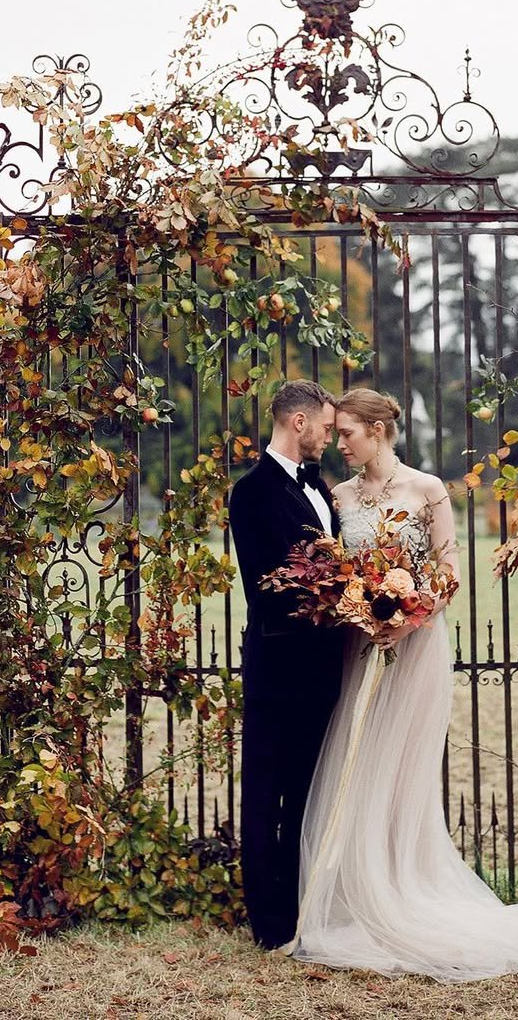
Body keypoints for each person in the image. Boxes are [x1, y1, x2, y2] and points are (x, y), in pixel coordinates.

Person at [284, 386, 518, 981]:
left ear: (377, 430)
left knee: (403, 770)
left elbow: (449, 573)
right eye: (336, 433)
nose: (338, 444)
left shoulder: (427, 490)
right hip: (359, 646)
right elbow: (336, 572)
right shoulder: (335, 495)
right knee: (358, 760)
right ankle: (356, 895)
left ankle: (404, 889)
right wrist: (362, 611)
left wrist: (407, 614)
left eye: (346, 432)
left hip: (416, 644)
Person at [227, 379, 347, 950]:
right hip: (279, 665)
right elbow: (267, 587)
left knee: (306, 789)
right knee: (266, 790)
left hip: (326, 667)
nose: (329, 436)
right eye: (325, 426)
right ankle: (268, 923)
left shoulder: (320, 488)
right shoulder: (251, 492)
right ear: (298, 423)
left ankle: (302, 909)